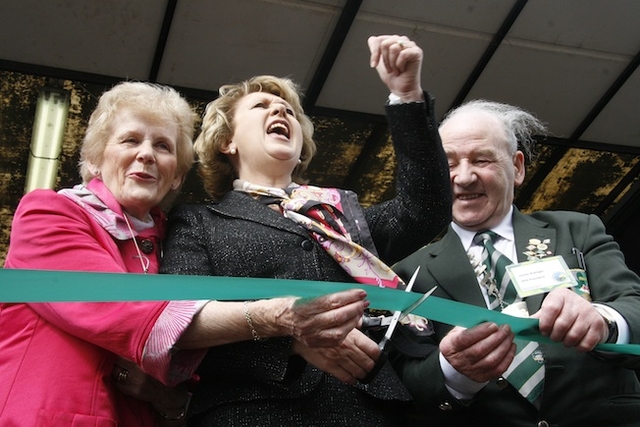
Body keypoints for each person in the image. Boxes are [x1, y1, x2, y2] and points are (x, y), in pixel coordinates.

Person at [0, 81, 372, 427]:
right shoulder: (48, 213)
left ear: (176, 175)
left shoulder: (177, 244)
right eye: (130, 140)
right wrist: (277, 316)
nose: (146, 154)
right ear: (95, 159)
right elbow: (124, 312)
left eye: (163, 146)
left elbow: (205, 366)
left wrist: (171, 399)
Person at [159, 34, 451, 425]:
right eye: (261, 106)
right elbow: (179, 324)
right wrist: (289, 343)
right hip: (251, 412)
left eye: (289, 111)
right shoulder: (197, 220)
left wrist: (407, 97)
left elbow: (425, 210)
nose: (280, 111)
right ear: (227, 141)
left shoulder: (344, 218)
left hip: (364, 411)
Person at [392, 99, 640, 426]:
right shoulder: (408, 273)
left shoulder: (578, 230)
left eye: (481, 159)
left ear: (517, 167)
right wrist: (453, 372)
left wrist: (603, 321)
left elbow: (633, 308)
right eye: (448, 164)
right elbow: (400, 385)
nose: (464, 177)